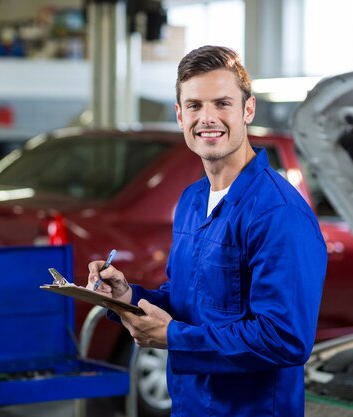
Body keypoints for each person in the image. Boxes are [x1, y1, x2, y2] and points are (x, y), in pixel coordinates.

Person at [88, 45, 327, 417]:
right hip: (191, 405)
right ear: (180, 115)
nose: (208, 118)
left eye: (222, 103)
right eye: (196, 106)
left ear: (248, 110)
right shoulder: (192, 200)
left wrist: (173, 337)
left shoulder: (277, 213)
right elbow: (187, 299)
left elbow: (285, 338)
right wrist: (127, 297)